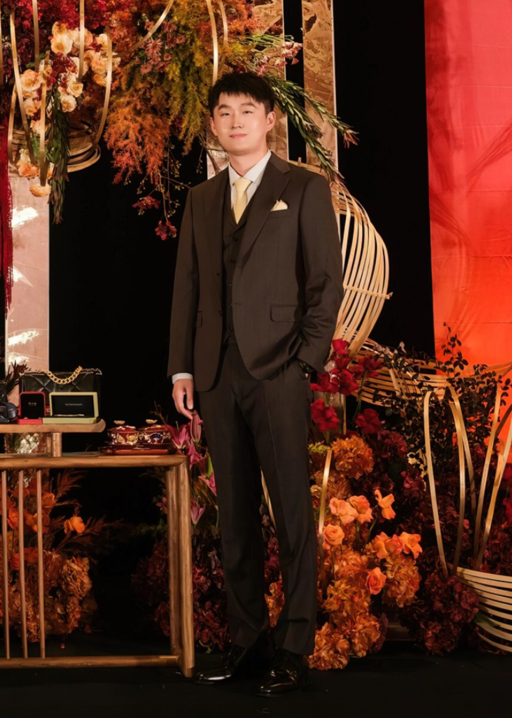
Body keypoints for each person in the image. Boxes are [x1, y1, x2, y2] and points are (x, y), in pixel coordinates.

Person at [167, 73, 342, 696]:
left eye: (247, 110)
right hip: (216, 374)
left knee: (292, 513)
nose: (235, 121)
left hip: (278, 372)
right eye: (224, 112)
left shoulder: (304, 188)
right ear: (213, 124)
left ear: (270, 120)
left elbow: (325, 284)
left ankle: (294, 646)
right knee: (234, 515)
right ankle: (247, 639)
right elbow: (187, 288)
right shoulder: (201, 199)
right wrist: (183, 368)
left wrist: (304, 363)